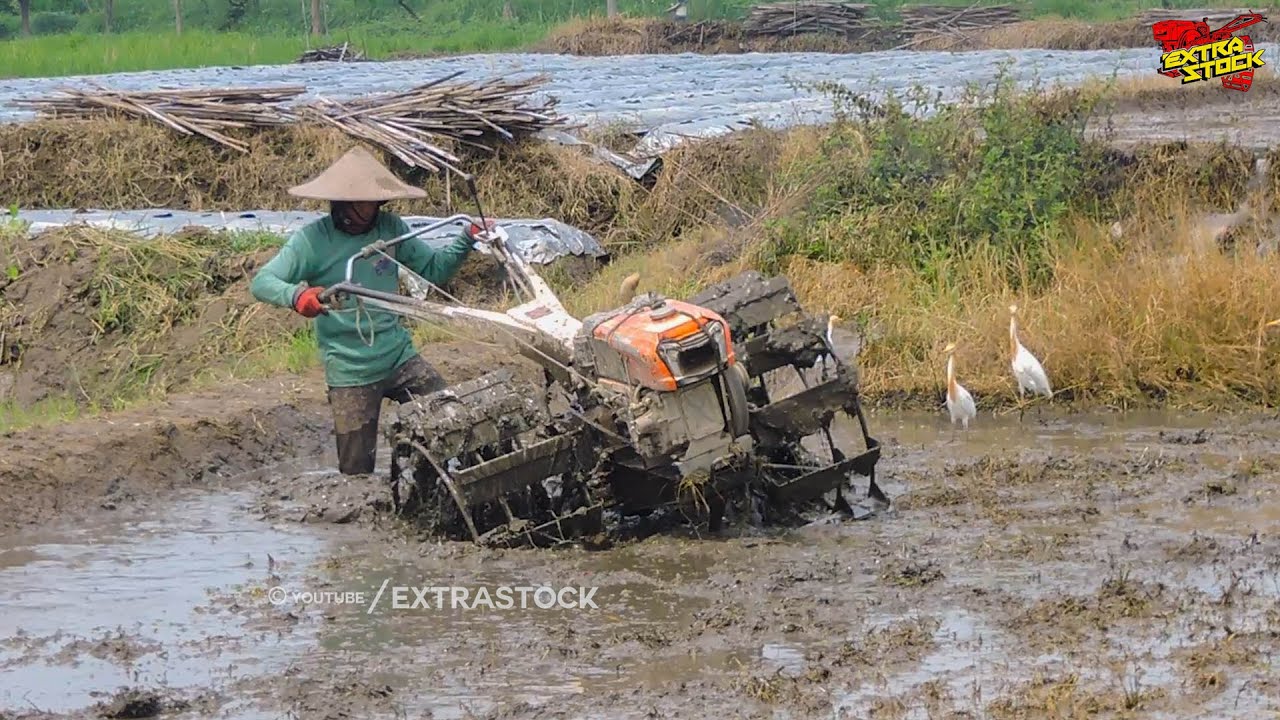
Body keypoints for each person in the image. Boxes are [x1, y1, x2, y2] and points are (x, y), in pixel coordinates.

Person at [250, 145, 493, 477]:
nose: (377, 208)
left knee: (454, 420)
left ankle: (440, 483)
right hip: (350, 369)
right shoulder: (311, 241)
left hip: (398, 356)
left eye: (379, 202)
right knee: (355, 472)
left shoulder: (390, 228)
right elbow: (263, 281)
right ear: (344, 205)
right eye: (368, 203)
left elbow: (433, 269)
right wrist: (299, 296)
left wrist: (466, 239)